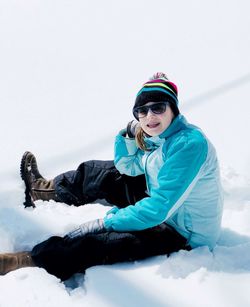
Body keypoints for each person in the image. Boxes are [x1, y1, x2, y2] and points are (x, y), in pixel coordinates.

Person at [0, 72, 223, 281]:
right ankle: (45, 190)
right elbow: (128, 167)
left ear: (173, 109)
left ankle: (29, 261)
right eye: (142, 111)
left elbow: (158, 209)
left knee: (99, 244)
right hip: (167, 207)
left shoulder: (188, 145)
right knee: (103, 173)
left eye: (158, 107)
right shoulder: (161, 136)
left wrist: (105, 222)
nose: (149, 116)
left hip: (183, 233)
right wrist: (127, 135)